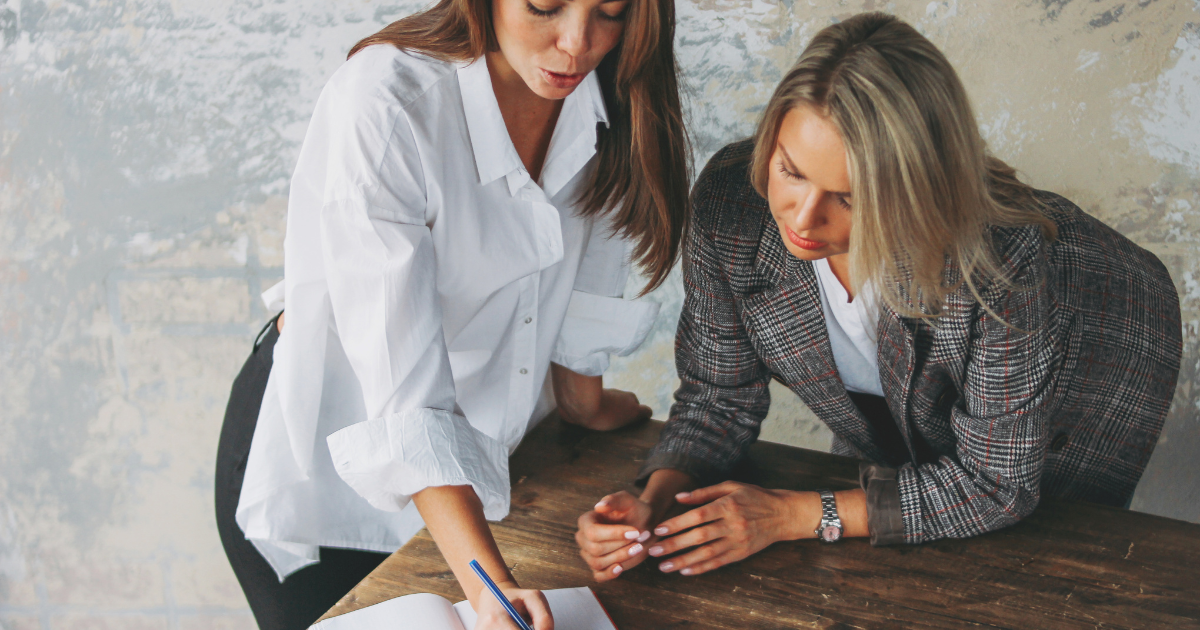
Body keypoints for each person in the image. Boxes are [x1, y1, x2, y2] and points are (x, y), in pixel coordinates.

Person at [574, 12, 1181, 582]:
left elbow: (997, 484)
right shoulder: (731, 205)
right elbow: (718, 399)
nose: (803, 219)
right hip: (919, 382)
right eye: (791, 171)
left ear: (912, 191)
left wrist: (790, 515)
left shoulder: (1001, 262)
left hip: (1103, 347)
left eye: (850, 197)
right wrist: (650, 502)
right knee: (885, 498)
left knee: (1030, 560)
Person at [213, 0, 690, 626]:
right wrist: (494, 590)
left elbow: (576, 289)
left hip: (487, 468)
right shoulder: (387, 102)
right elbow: (406, 398)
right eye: (545, 5)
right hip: (330, 465)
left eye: (611, 11)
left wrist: (588, 406)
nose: (578, 43)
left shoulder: (608, 96)